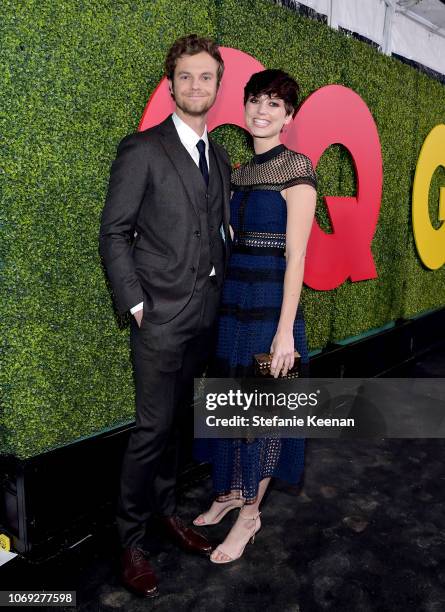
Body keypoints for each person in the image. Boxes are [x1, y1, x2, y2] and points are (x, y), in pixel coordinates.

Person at [99, 34, 231, 597]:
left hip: (204, 318)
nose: (196, 85)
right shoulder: (142, 149)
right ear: (170, 83)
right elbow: (114, 233)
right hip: (158, 320)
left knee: (179, 426)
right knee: (151, 430)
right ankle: (131, 540)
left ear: (217, 87)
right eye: (186, 77)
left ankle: (169, 513)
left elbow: (218, 227)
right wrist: (136, 305)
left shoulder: (218, 154)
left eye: (206, 77)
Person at [193, 69, 317, 563]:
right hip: (233, 306)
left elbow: (298, 258)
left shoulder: (298, 170)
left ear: (289, 117)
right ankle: (229, 493)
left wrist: (285, 330)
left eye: (274, 105)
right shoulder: (241, 172)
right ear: (244, 107)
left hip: (270, 309)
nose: (262, 111)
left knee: (262, 416)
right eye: (256, 101)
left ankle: (250, 515)